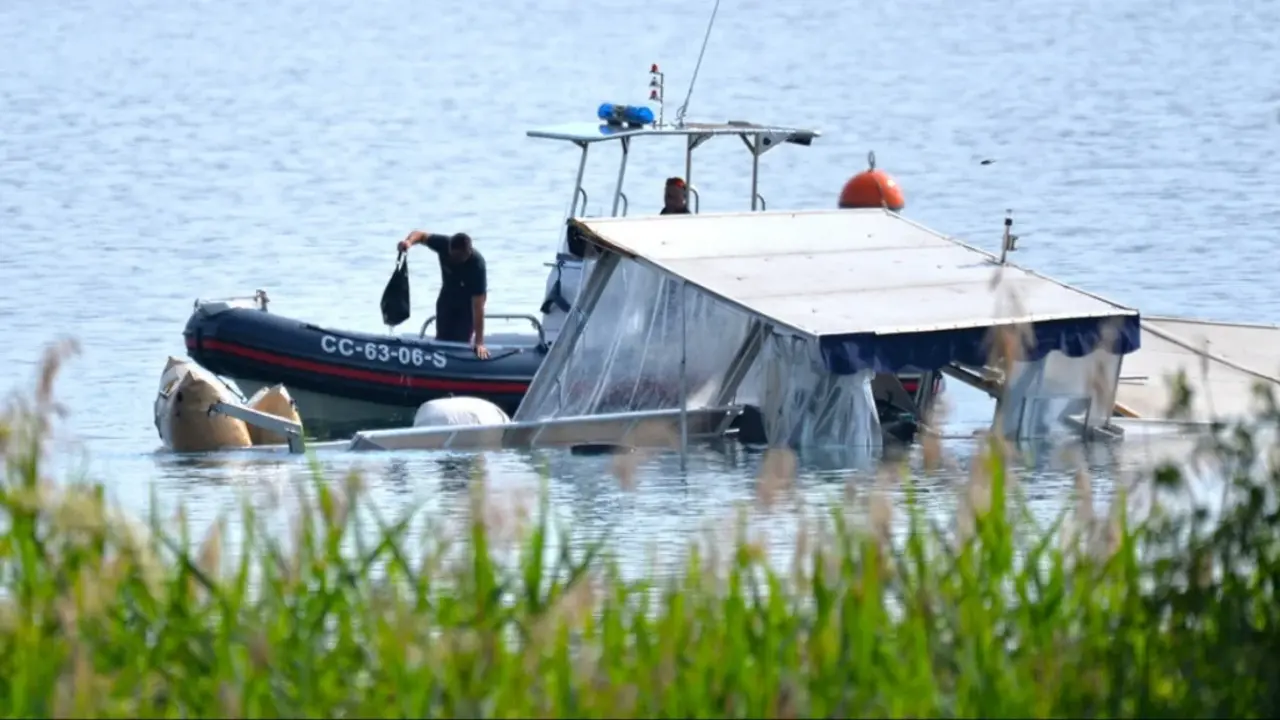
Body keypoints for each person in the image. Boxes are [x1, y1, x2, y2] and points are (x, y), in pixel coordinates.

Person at [397, 230, 490, 359]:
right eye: (451, 255)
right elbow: (421, 235)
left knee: (460, 341)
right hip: (447, 298)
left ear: (468, 253)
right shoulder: (443, 244)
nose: (453, 260)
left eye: (457, 258)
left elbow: (478, 306)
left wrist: (479, 342)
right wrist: (409, 242)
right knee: (442, 338)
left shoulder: (477, 266)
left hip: (467, 305)